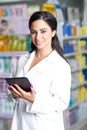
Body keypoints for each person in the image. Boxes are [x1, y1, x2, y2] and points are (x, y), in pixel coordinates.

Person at [8, 11, 71, 130]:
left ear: (53, 32)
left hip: (44, 125)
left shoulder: (60, 65)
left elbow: (61, 102)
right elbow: (11, 89)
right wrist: (14, 94)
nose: (38, 37)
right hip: (20, 123)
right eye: (33, 32)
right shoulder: (23, 59)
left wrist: (34, 99)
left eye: (43, 31)